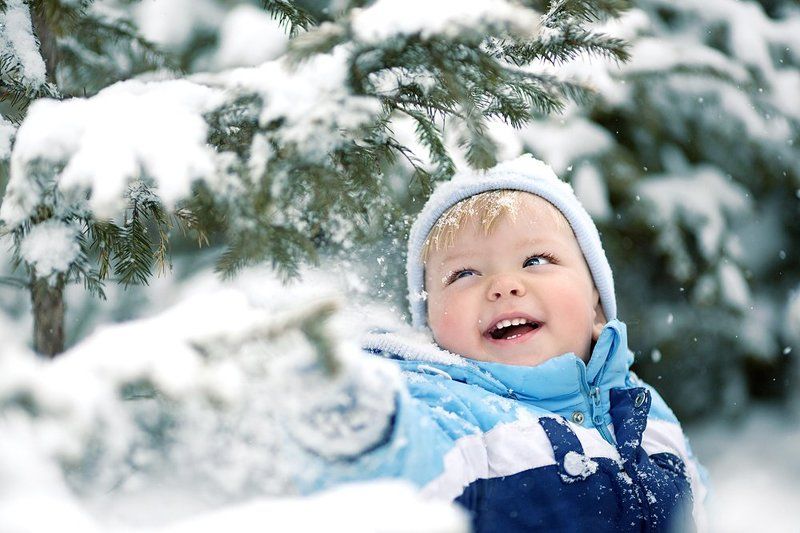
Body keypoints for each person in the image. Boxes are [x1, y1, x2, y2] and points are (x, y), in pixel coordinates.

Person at [285, 155, 707, 532]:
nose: (503, 285)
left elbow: (698, 508)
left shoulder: (643, 407)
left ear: (596, 300)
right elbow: (402, 471)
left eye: (535, 261)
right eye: (465, 274)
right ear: (430, 326)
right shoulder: (451, 415)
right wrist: (365, 415)